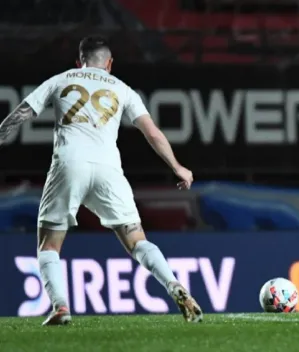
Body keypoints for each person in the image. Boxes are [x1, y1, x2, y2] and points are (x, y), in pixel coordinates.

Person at [0, 36, 203, 324]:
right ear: (109, 64)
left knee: (49, 245)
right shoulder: (122, 88)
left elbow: (23, 112)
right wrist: (177, 167)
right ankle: (174, 285)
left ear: (79, 61)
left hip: (69, 164)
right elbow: (153, 133)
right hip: (108, 169)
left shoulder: (61, 79)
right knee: (137, 240)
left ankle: (61, 307)